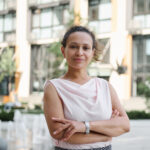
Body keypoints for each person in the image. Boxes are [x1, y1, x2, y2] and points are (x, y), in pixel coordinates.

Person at [43, 26, 130, 150]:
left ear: (92, 53)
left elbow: (125, 125)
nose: (79, 52)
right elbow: (60, 133)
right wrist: (106, 134)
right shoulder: (54, 87)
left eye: (86, 48)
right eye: (73, 46)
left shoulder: (104, 86)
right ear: (63, 51)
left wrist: (84, 126)